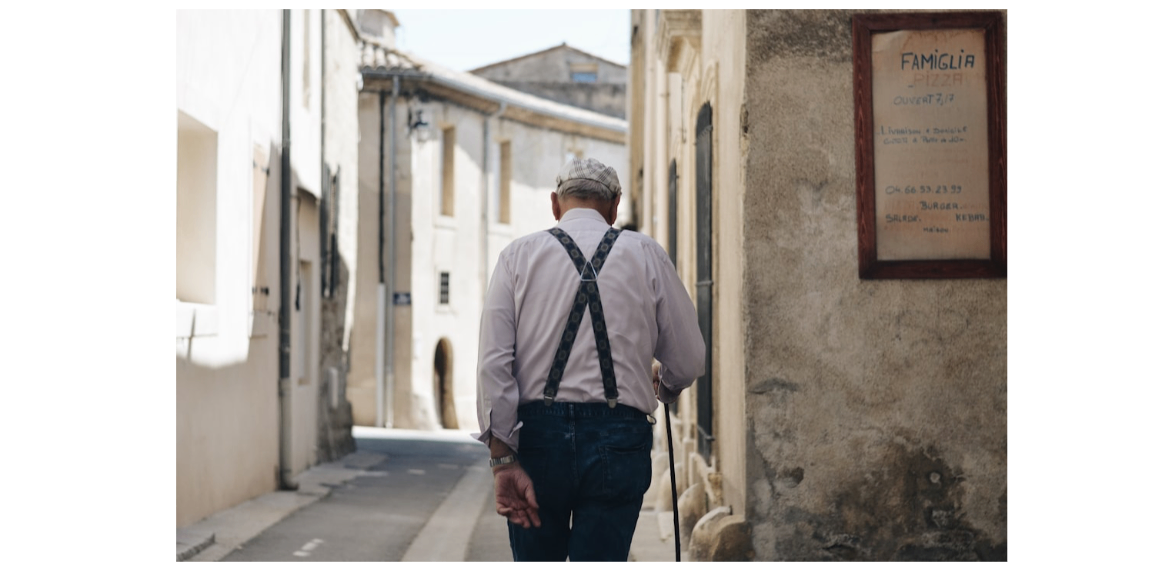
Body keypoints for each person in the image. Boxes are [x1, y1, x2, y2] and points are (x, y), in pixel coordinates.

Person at [474, 157, 706, 562]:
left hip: (537, 440)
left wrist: (503, 457)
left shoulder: (517, 257)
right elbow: (688, 360)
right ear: (615, 206)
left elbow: (494, 365)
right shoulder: (647, 253)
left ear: (554, 204)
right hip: (619, 441)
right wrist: (664, 386)